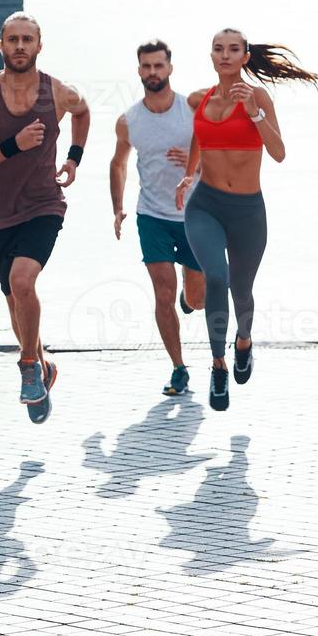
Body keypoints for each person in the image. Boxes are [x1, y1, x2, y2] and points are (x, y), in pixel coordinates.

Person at [0, 11, 89, 424]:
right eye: (12, 39)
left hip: (44, 204)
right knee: (16, 302)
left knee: (22, 281)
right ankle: (44, 365)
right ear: (1, 45)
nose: (19, 46)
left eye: (27, 39)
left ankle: (28, 365)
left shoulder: (57, 92)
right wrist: (12, 146)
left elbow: (83, 112)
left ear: (39, 46)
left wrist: (74, 158)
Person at [175, 28, 318, 411]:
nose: (225, 55)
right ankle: (218, 365)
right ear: (211, 56)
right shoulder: (201, 98)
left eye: (233, 49)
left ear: (244, 56)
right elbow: (199, 138)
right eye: (218, 49)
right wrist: (190, 173)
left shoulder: (257, 97)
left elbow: (279, 152)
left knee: (241, 290)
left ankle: (243, 342)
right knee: (216, 277)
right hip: (204, 205)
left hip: (246, 211)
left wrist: (255, 114)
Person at [110, 39, 206, 397]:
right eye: (146, 67)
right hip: (151, 214)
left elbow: (222, 154)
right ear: (139, 71)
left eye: (159, 66)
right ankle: (179, 367)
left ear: (170, 68)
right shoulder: (130, 120)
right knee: (161, 291)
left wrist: (195, 161)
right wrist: (117, 207)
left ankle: (190, 298)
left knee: (197, 298)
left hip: (195, 214)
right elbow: (118, 163)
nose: (153, 72)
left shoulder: (192, 111)